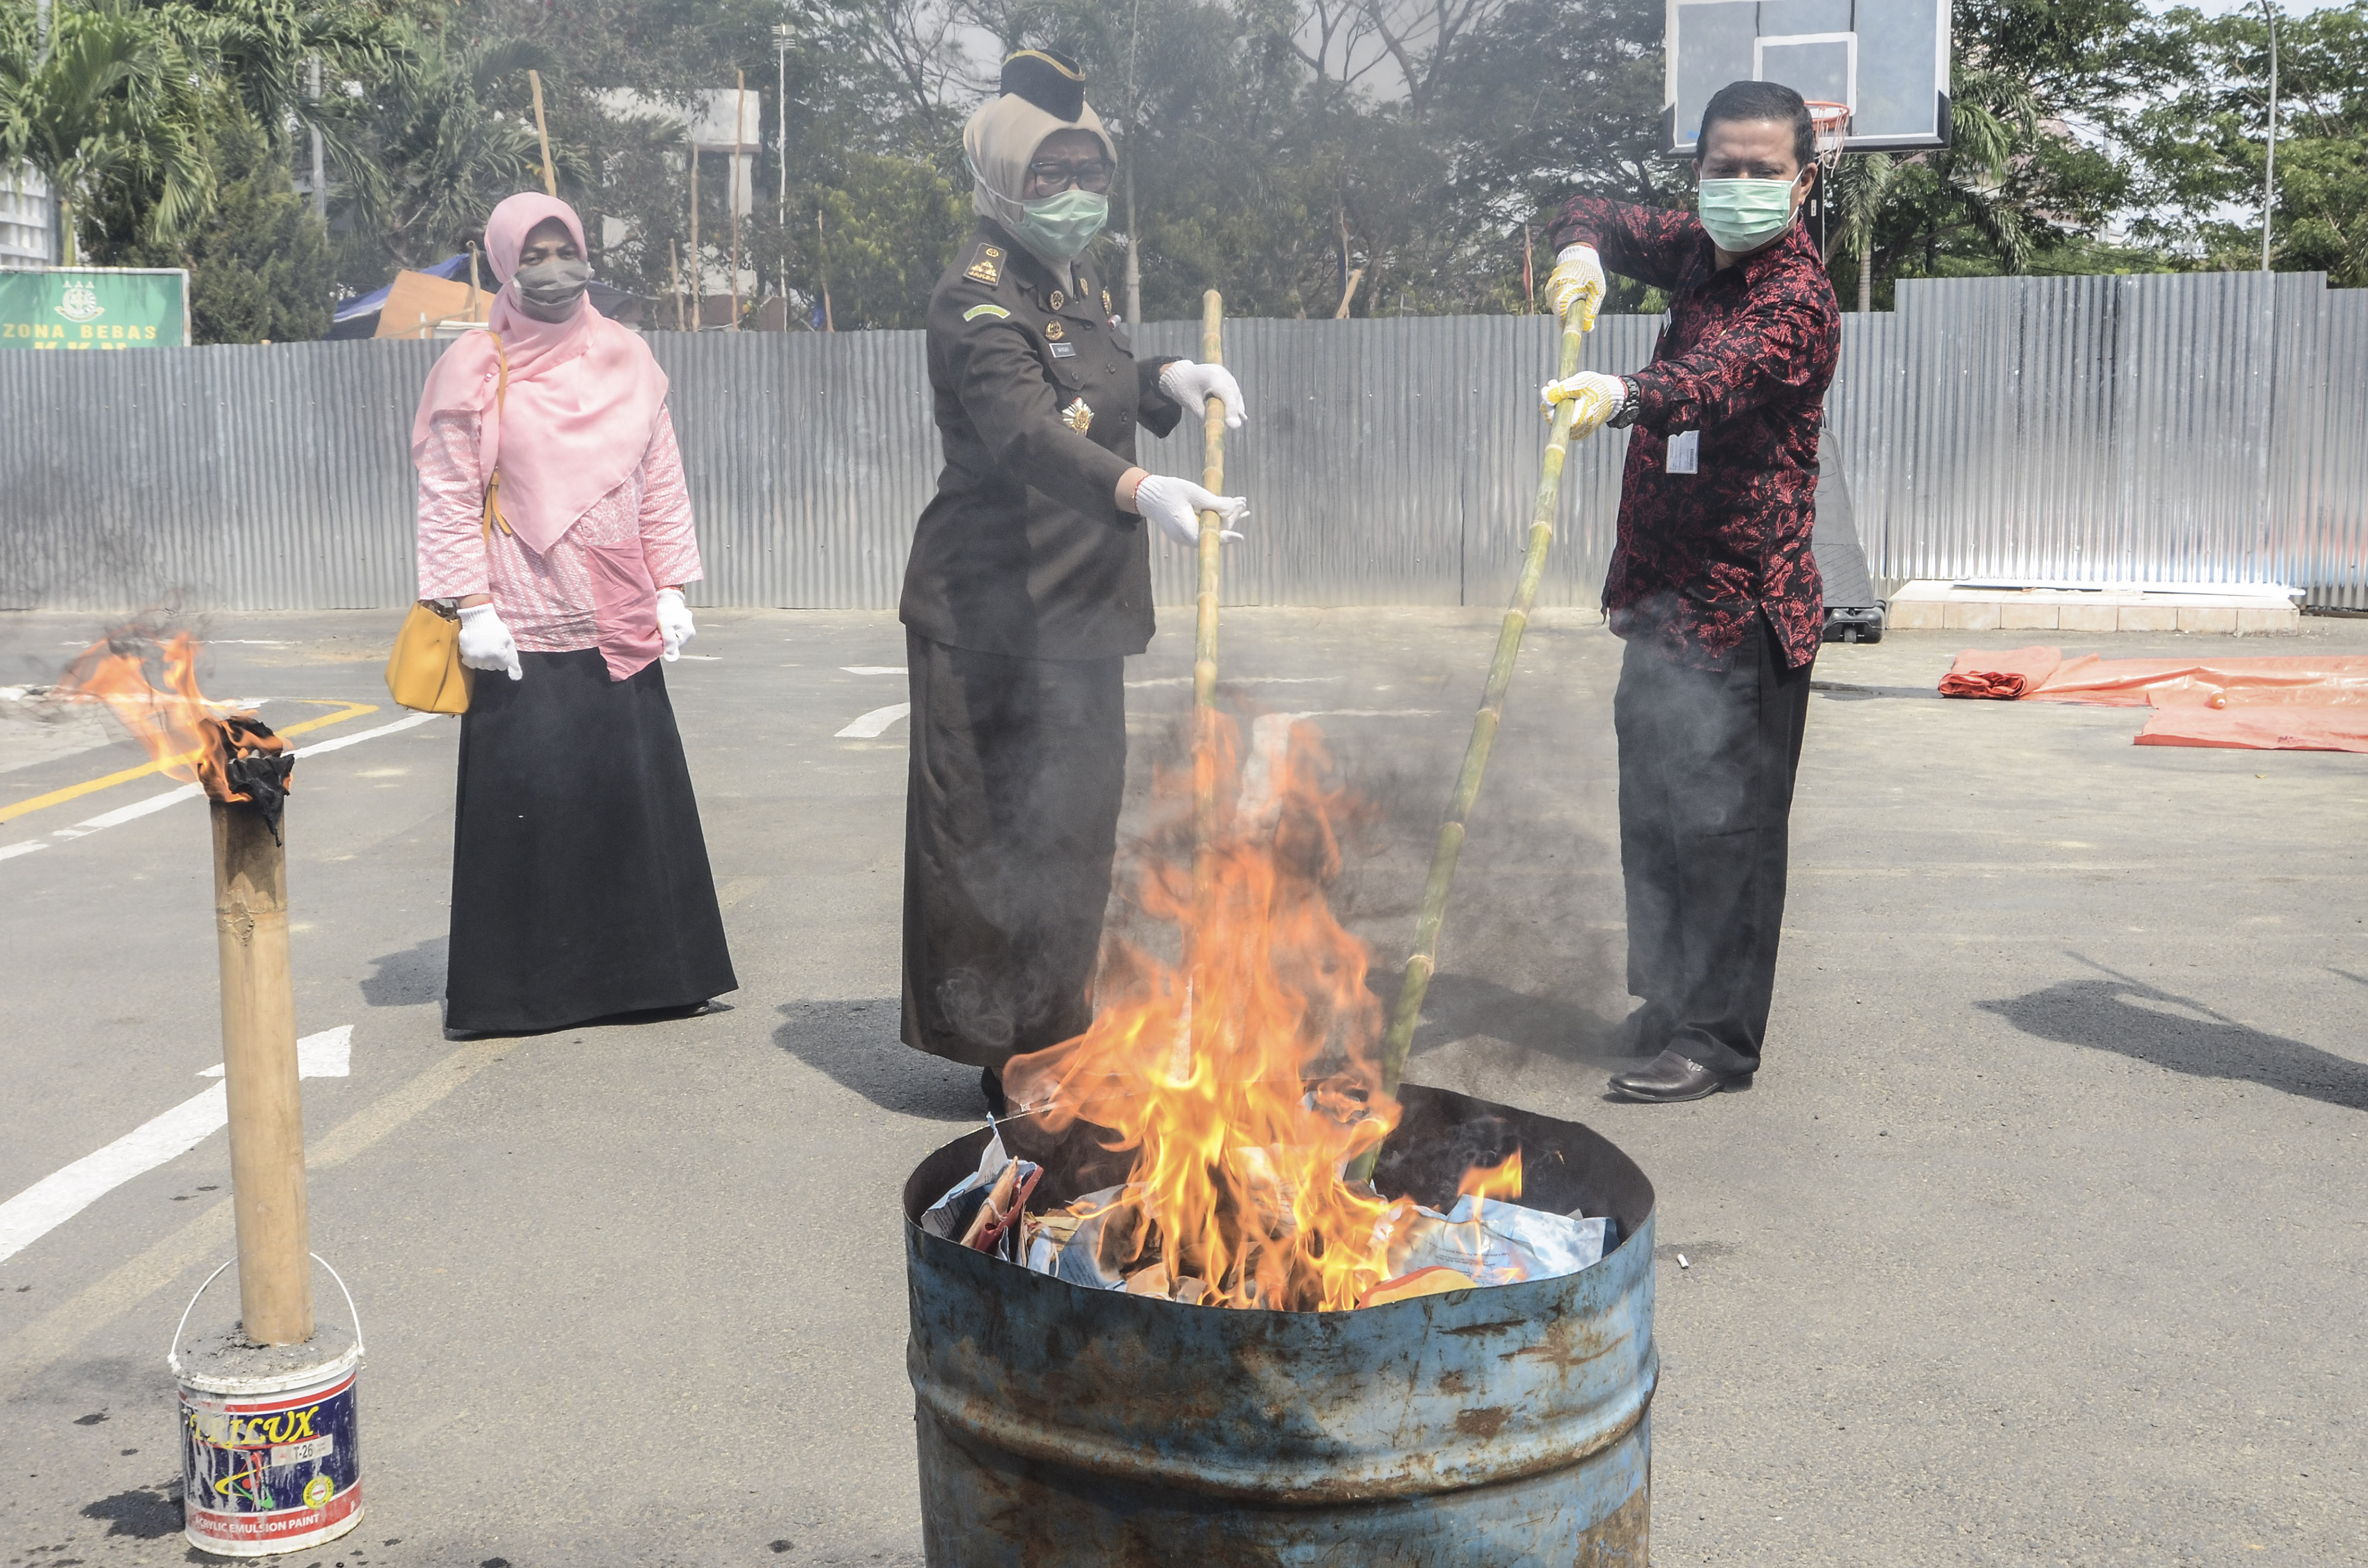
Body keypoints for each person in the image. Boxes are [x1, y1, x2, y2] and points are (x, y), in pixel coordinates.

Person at [901, 48, 1250, 1112]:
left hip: (1084, 610)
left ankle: (1059, 1028)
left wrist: (1165, 380)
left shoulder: (1073, 278)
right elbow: (1022, 428)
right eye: (1050, 175)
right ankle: (997, 1054)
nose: (1074, 195)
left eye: (1088, 173)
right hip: (990, 610)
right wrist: (1143, 485)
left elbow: (1091, 382)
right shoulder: (975, 296)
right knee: (989, 833)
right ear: (1005, 178)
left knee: (1074, 826)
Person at [1536, 79, 1840, 1103]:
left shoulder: (1797, 298)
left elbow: (1714, 376)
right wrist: (1581, 251)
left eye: (1764, 172)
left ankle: (1717, 1039)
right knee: (1656, 818)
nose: (1741, 186)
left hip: (1743, 611)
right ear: (1700, 169)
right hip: (1662, 603)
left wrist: (1626, 393)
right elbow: (1595, 212)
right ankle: (1667, 1000)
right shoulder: (1699, 254)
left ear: (1802, 182)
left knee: (1727, 833)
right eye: (1724, 167)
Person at [410, 191, 737, 1036]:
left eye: (566, 250)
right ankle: (527, 994)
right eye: (535, 254)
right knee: (533, 806)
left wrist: (673, 585)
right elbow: (448, 494)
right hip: (520, 617)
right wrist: (470, 604)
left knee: (630, 797)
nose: (555, 270)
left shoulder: (627, 356)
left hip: (619, 603)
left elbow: (659, 481)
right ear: (503, 262)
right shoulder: (477, 365)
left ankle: (652, 979)